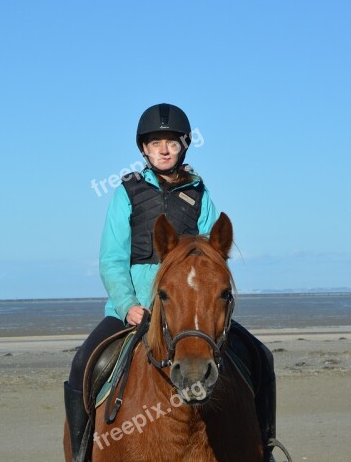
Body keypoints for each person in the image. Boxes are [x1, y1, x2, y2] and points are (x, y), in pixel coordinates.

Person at [63, 103, 278, 461]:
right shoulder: (126, 193)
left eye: (172, 142)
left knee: (260, 357)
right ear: (143, 149)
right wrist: (127, 305)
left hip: (191, 312)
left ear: (184, 147)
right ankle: (81, 453)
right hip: (132, 310)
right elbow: (112, 258)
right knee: (85, 362)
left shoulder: (198, 193)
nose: (164, 149)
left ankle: (266, 447)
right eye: (155, 142)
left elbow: (212, 253)